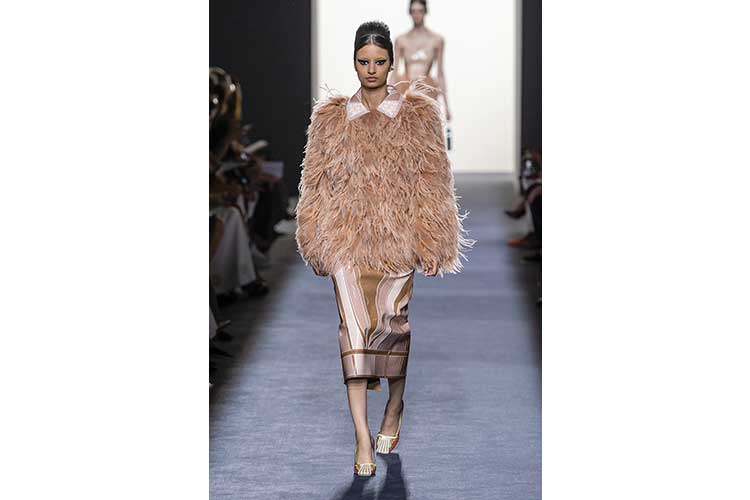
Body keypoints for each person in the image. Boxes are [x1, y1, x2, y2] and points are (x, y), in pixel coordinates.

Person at [295, 20, 474, 476]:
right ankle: (361, 439)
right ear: (354, 62)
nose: (371, 69)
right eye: (363, 61)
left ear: (392, 63)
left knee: (393, 329)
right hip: (345, 241)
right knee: (353, 332)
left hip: (397, 240)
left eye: (379, 62)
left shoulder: (418, 116)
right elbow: (315, 182)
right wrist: (314, 237)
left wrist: (433, 239)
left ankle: (394, 406)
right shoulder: (331, 119)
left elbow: (433, 180)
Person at [390, 0, 452, 122]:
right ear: (409, 13)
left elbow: (440, 73)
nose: (417, 15)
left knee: (427, 126)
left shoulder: (436, 40)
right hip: (406, 89)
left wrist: (447, 106)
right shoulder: (401, 40)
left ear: (425, 12)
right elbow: (394, 72)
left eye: (420, 11)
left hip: (427, 90)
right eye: (413, 11)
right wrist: (388, 100)